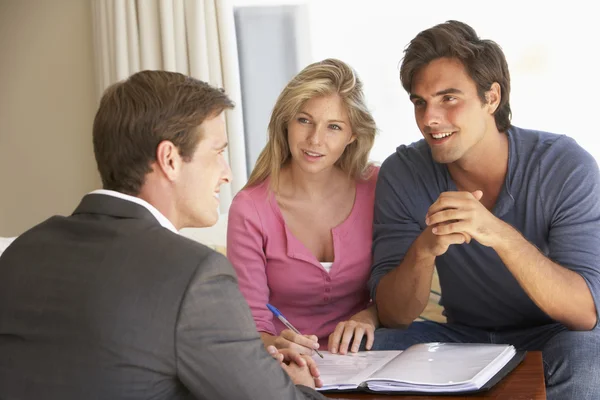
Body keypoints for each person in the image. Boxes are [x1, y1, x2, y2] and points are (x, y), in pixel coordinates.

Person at [0, 70, 329, 400]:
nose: (227, 174)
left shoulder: (23, 251)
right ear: (170, 159)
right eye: (217, 153)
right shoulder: (196, 275)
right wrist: (299, 384)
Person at [368, 20, 600, 399]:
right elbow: (394, 316)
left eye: (448, 98)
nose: (430, 118)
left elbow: (584, 312)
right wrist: (425, 249)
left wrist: (500, 235)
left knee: (591, 355)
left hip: (552, 334)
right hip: (460, 338)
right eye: (420, 102)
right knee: (370, 347)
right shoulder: (403, 172)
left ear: (491, 98)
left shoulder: (564, 165)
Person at [227, 58, 379, 356]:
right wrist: (276, 345)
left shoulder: (377, 187)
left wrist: (369, 315)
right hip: (283, 363)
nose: (315, 140)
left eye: (333, 127)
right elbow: (252, 323)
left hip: (368, 357)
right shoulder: (250, 208)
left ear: (353, 136)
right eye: (304, 120)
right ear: (286, 122)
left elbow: (392, 286)